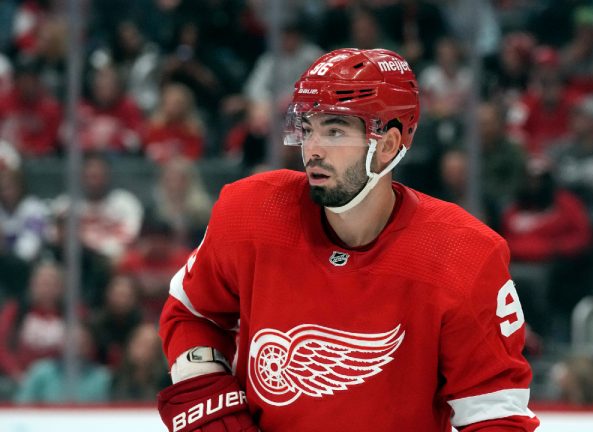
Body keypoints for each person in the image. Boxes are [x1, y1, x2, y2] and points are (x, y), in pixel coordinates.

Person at [157, 48, 539, 432]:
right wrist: (208, 397)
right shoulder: (251, 213)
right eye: (308, 129)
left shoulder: (463, 255)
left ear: (388, 145)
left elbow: (496, 418)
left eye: (335, 130)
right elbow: (192, 312)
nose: (314, 150)